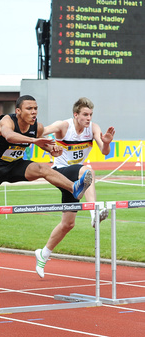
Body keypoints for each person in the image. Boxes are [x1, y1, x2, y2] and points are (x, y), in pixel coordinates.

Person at [0, 95, 93, 224]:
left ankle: (74, 187)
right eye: (29, 108)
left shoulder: (37, 127)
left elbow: (45, 146)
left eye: (35, 108)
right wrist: (34, 140)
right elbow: (9, 136)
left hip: (16, 166)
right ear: (18, 111)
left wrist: (53, 151)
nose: (34, 112)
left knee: (42, 168)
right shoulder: (8, 121)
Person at [34, 97, 115, 278]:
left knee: (68, 223)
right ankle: (94, 213)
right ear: (75, 115)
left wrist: (107, 141)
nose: (88, 118)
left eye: (90, 115)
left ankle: (43, 254)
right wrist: (46, 142)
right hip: (59, 173)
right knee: (87, 171)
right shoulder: (64, 126)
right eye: (85, 115)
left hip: (76, 183)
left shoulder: (93, 128)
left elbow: (104, 151)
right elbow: (42, 131)